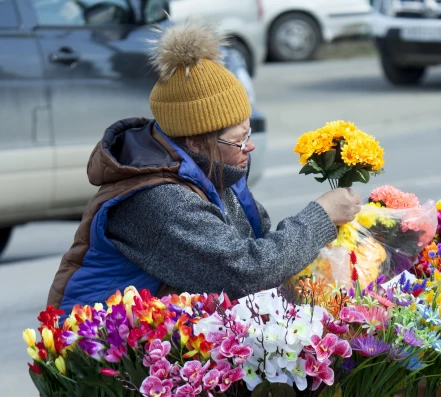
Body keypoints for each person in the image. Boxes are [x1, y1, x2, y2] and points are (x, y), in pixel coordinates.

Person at [47, 19, 361, 313]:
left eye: (248, 133)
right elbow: (247, 273)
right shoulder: (160, 200)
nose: (248, 146)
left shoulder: (215, 170)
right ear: (196, 142)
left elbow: (263, 245)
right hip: (104, 352)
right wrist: (320, 216)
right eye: (238, 139)